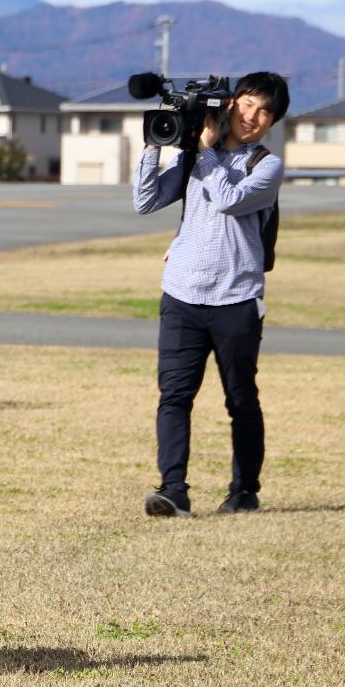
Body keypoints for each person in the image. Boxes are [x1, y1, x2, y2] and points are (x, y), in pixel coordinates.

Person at [132, 71, 290, 518]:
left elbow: (226, 199)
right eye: (247, 104)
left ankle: (244, 492)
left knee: (240, 398)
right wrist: (154, 146)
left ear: (272, 120)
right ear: (231, 102)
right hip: (182, 294)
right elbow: (145, 202)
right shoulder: (194, 156)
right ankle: (173, 490)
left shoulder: (266, 166)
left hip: (236, 298)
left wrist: (203, 151)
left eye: (264, 111)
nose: (252, 117)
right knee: (174, 396)